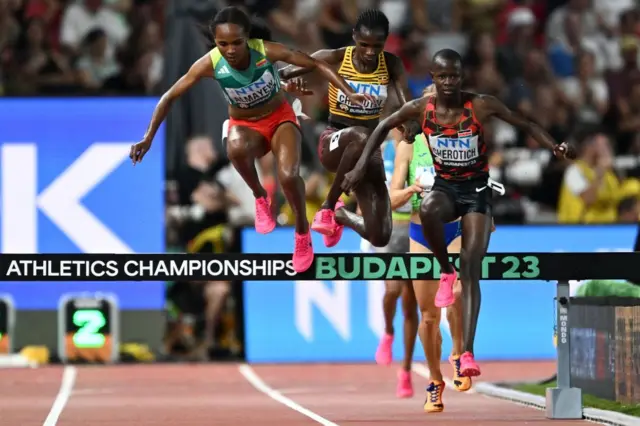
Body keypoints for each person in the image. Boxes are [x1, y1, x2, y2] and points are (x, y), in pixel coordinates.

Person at [342, 49, 575, 378]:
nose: (449, 82)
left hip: (477, 193)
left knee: (473, 269)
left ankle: (466, 352)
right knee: (427, 210)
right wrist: (360, 167)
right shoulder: (422, 109)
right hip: (447, 189)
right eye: (443, 77)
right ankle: (445, 271)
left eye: (454, 76)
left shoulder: (480, 104)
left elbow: (524, 121)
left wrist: (555, 146)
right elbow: (382, 128)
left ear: (461, 77)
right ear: (433, 79)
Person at [129, 6, 372, 273]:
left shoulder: (265, 50)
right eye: (223, 44)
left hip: (279, 118)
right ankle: (260, 198)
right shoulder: (210, 63)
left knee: (289, 176)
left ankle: (302, 234)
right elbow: (170, 96)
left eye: (236, 43)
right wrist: (148, 137)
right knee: (234, 147)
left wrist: (350, 92)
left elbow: (316, 63)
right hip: (245, 125)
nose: (230, 50)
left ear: (247, 38)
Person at [278, 9, 419, 249]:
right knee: (361, 134)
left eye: (377, 46)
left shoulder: (391, 64)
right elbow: (280, 74)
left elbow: (406, 106)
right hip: (334, 140)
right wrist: (289, 85)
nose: (370, 52)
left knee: (380, 235)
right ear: (354, 36)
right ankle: (328, 207)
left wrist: (410, 124)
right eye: (364, 44)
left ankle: (340, 216)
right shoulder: (335, 57)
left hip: (367, 152)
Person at [389, 129, 474, 411]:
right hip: (420, 233)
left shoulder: (460, 140)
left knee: (458, 293)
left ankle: (458, 353)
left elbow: (477, 182)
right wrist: (411, 190)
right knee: (428, 317)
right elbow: (391, 198)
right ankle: (435, 381)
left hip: (454, 228)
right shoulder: (409, 147)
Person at [368, 129, 417, 399]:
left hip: (416, 229)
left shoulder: (422, 150)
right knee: (393, 290)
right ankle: (387, 331)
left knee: (412, 304)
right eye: (401, 125)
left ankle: (406, 371)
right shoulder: (380, 149)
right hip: (388, 228)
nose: (405, 131)